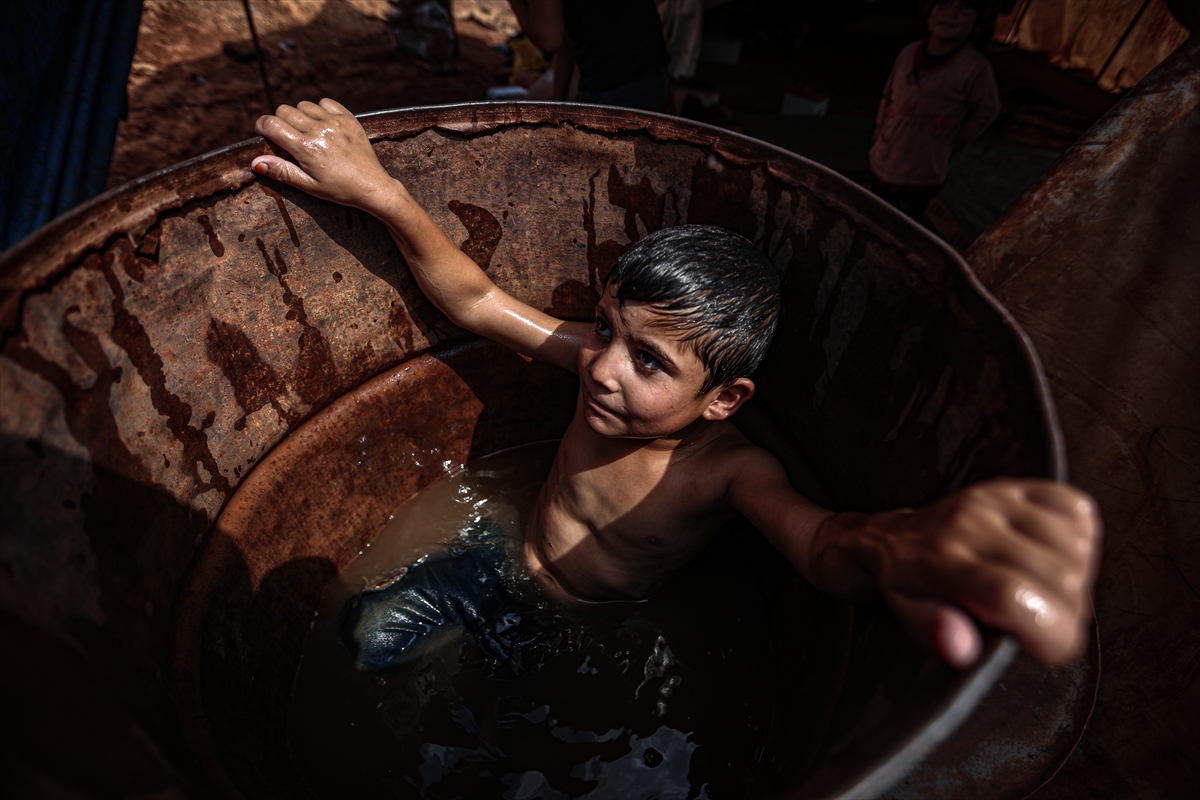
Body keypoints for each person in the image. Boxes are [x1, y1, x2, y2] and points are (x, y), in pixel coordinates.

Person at [250, 98, 1099, 674]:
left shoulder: (723, 470)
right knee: (360, 642)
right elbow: (477, 301)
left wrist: (892, 546)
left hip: (581, 632)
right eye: (610, 329)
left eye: (650, 361)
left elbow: (819, 541)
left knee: (501, 749)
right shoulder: (598, 367)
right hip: (498, 559)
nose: (604, 366)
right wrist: (381, 191)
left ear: (723, 399)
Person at [869, 0, 1001, 225]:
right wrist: (879, 132)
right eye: (943, 3)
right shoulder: (909, 52)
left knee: (902, 225)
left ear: (977, 21)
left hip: (922, 171)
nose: (950, 13)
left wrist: (954, 142)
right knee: (873, 215)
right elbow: (888, 96)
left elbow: (988, 109)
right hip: (884, 157)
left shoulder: (973, 68)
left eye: (964, 7)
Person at [506, 0, 670, 111]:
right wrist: (557, 106)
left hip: (616, 86)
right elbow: (566, 42)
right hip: (652, 73)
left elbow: (549, 40)